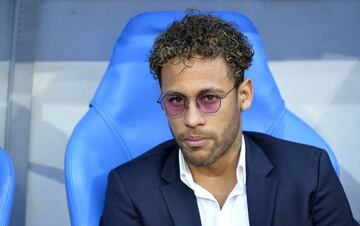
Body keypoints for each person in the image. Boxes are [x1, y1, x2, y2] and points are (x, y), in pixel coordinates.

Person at [100, 12, 357, 226]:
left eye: (209, 98)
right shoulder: (131, 190)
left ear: (244, 95)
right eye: (176, 100)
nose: (191, 119)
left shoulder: (309, 172)